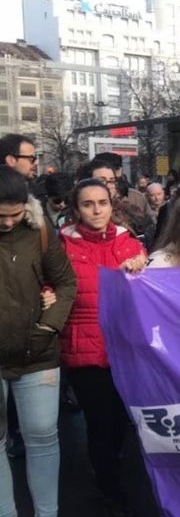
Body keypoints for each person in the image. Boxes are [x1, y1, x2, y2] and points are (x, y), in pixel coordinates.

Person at [58, 178, 148, 515]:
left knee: (120, 422)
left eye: (102, 203)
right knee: (100, 423)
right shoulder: (61, 245)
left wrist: (142, 268)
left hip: (125, 349)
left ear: (112, 205)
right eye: (88, 204)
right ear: (76, 208)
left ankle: (113, 474)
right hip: (84, 350)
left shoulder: (130, 243)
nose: (96, 210)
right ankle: (109, 487)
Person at [0, 165, 77, 517]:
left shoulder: (40, 229)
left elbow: (65, 283)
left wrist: (50, 325)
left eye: (15, 214)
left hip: (38, 351)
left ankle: (48, 513)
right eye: (1, 215)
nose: (7, 222)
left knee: (43, 438)